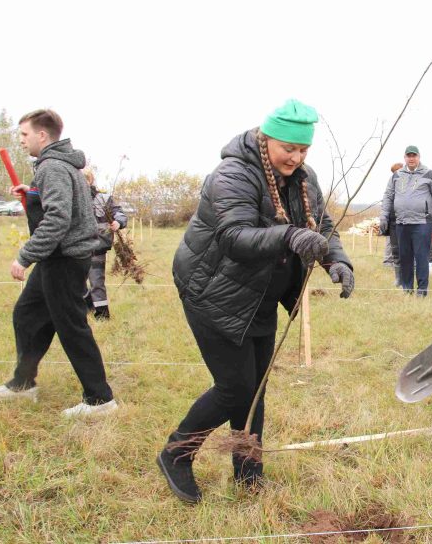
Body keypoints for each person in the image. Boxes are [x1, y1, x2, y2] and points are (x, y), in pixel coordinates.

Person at [157, 99, 354, 504]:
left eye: (303, 151)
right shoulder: (232, 174)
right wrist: (289, 236)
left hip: (260, 295)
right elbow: (234, 236)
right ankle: (175, 454)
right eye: (289, 149)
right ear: (267, 139)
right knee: (234, 387)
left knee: (256, 388)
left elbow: (323, 223)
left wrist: (338, 259)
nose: (296, 158)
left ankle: (248, 471)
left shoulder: (304, 178)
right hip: (212, 292)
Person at [0, 109, 118, 418]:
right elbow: (61, 204)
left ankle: (100, 399)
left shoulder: (52, 167)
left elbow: (58, 219)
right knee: (27, 315)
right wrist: (32, 194)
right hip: (59, 258)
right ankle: (22, 384)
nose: (22, 141)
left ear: (43, 135)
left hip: (64, 260)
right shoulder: (61, 165)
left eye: (25, 135)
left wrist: (25, 256)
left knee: (72, 328)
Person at [379, 145, 432, 296]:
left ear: (419, 157)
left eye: (414, 156)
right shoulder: (396, 175)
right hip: (402, 222)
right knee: (405, 257)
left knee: (421, 257)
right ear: (404, 158)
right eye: (408, 156)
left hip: (422, 223)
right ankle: (407, 288)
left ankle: (422, 291)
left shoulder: (430, 174)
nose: (411, 158)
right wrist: (383, 216)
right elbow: (388, 196)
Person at [82, 168, 128, 320]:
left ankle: (102, 315)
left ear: (90, 180)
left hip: (97, 248)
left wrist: (118, 222)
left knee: (96, 282)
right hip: (76, 249)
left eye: (84, 179)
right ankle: (88, 305)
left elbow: (120, 213)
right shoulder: (70, 198)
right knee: (74, 282)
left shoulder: (104, 199)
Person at [382, 162, 404, 286]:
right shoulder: (391, 184)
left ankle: (407, 277)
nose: (396, 174)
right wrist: (384, 218)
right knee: (395, 250)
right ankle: (398, 278)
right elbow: (387, 200)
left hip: (407, 221)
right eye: (394, 173)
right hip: (393, 220)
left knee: (407, 250)